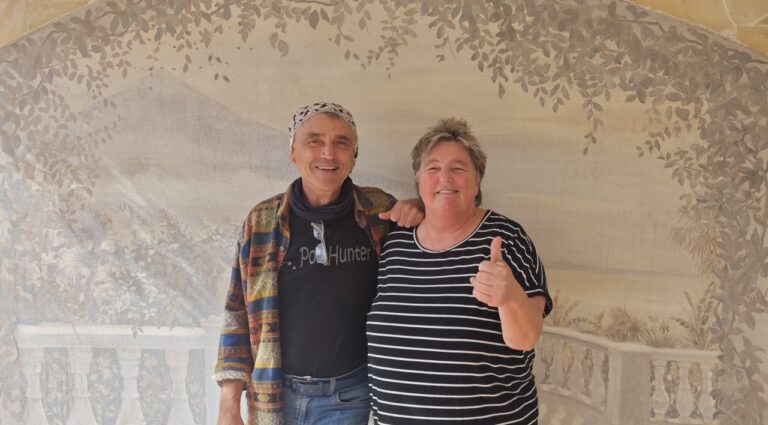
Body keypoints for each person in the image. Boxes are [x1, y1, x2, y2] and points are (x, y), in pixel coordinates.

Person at [213, 101, 423, 425]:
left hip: (349, 397)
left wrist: (420, 206)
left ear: (354, 155)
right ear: (293, 152)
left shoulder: (379, 213)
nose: (329, 153)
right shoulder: (262, 222)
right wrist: (228, 404)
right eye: (315, 141)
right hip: (272, 394)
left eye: (342, 142)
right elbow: (236, 312)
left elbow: (439, 229)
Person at [367, 118, 553, 424]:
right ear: (418, 181)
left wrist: (509, 298)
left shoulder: (507, 238)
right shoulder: (395, 243)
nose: (445, 178)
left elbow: (526, 337)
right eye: (433, 168)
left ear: (477, 182)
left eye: (458, 168)